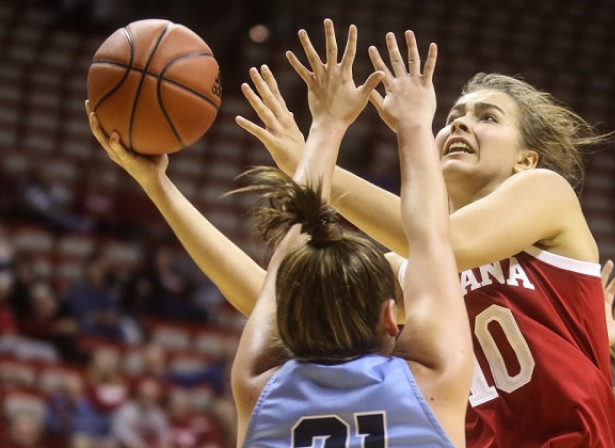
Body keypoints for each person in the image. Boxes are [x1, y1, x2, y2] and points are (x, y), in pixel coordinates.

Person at [88, 19, 473, 448]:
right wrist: (410, 126)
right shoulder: (431, 383)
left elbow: (297, 254)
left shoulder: (261, 390)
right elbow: (431, 237)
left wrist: (334, 126)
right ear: (390, 317)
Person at [240, 26, 615, 447]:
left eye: (487, 117)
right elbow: (282, 297)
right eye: (453, 117)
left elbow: (444, 245)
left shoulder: (545, 190)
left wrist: (313, 157)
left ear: (525, 159)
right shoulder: (412, 266)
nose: (461, 123)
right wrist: (165, 191)